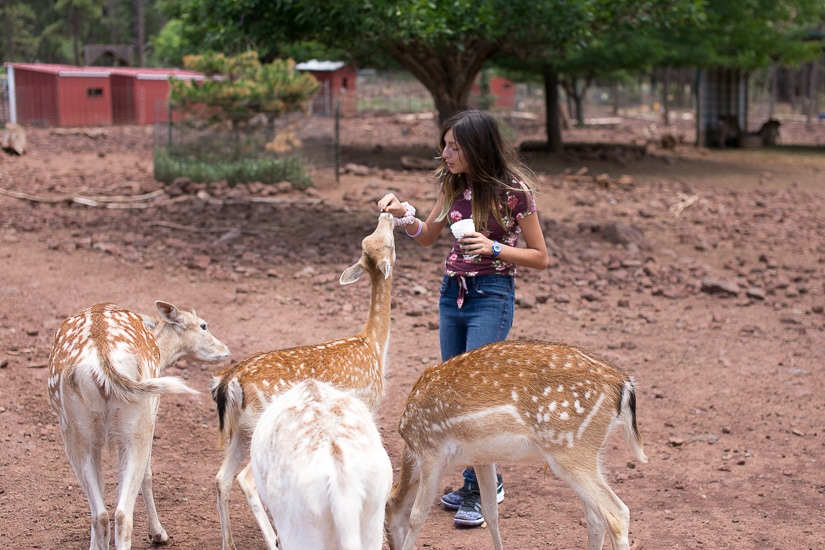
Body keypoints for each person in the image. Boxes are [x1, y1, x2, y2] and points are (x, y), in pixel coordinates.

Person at [378, 109, 549, 527]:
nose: (445, 152)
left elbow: (540, 257)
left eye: (454, 146)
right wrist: (402, 212)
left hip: (492, 295)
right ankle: (474, 479)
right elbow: (428, 236)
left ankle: (482, 487)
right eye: (445, 144)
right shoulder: (451, 183)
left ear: (477, 148)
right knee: (453, 392)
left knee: (476, 395)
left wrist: (493, 248)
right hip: (451, 294)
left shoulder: (515, 192)